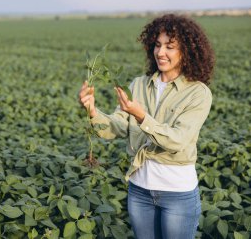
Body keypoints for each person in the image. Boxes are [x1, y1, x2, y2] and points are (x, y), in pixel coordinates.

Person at [78, 14, 214, 239]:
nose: (161, 52)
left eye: (170, 47)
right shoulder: (139, 84)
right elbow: (116, 127)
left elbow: (178, 140)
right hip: (139, 190)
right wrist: (92, 110)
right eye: (157, 45)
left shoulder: (198, 93)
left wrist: (142, 116)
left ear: (186, 51)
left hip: (177, 193)